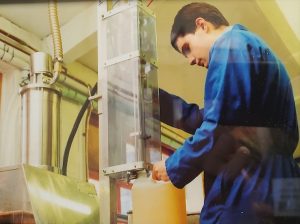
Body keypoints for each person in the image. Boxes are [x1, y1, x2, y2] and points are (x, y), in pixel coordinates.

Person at [153, 2, 300, 224]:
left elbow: (218, 125)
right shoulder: (252, 49)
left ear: (202, 25)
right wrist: (152, 99)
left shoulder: (229, 45)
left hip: (252, 188)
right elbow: (207, 118)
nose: (191, 60)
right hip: (281, 184)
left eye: (186, 48)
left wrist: (173, 166)